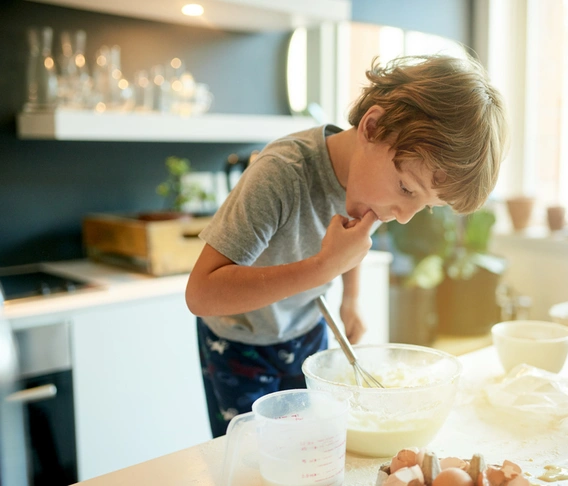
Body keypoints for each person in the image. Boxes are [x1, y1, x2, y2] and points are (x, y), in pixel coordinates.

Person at [185, 53, 508, 437]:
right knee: (254, 459)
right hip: (239, 345)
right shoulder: (281, 175)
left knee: (309, 446)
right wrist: (322, 268)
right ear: (372, 127)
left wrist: (350, 297)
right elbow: (201, 294)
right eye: (406, 188)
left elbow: (350, 235)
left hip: (307, 330)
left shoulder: (365, 177)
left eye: (424, 206)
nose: (404, 215)